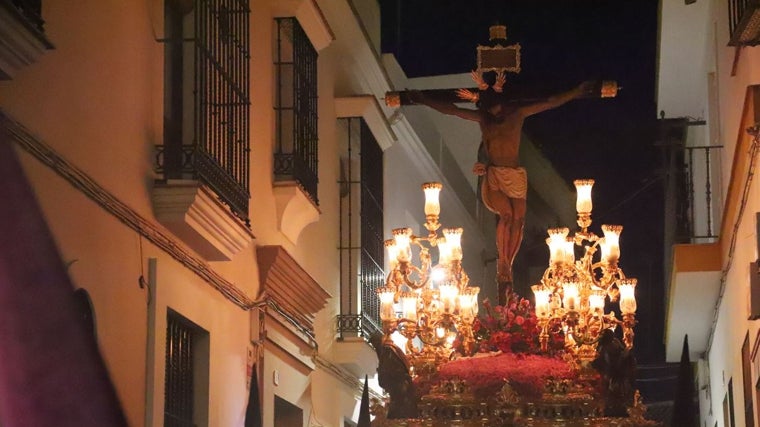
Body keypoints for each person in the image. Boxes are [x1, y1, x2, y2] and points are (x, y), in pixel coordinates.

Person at [409, 73, 593, 305]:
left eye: (498, 110)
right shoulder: (483, 120)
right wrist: (423, 100)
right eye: (491, 110)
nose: (495, 114)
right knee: (506, 216)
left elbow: (550, 102)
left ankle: (510, 259)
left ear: (505, 106)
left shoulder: (517, 115)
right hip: (495, 174)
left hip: (515, 176)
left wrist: (576, 91)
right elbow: (452, 110)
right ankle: (503, 263)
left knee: (518, 220)